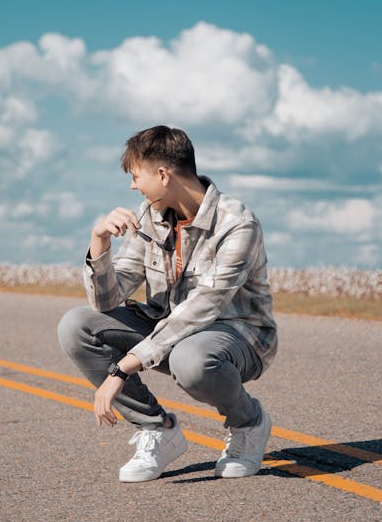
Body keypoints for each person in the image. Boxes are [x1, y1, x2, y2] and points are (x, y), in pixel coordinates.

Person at [58, 125, 277, 482]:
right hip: (172, 333)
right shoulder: (150, 216)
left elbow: (203, 308)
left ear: (163, 175)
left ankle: (248, 422)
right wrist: (98, 241)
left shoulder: (237, 224)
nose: (133, 186)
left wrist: (122, 368)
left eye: (135, 176)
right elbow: (106, 301)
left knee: (191, 360)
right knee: (77, 325)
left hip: (240, 337)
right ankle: (159, 429)